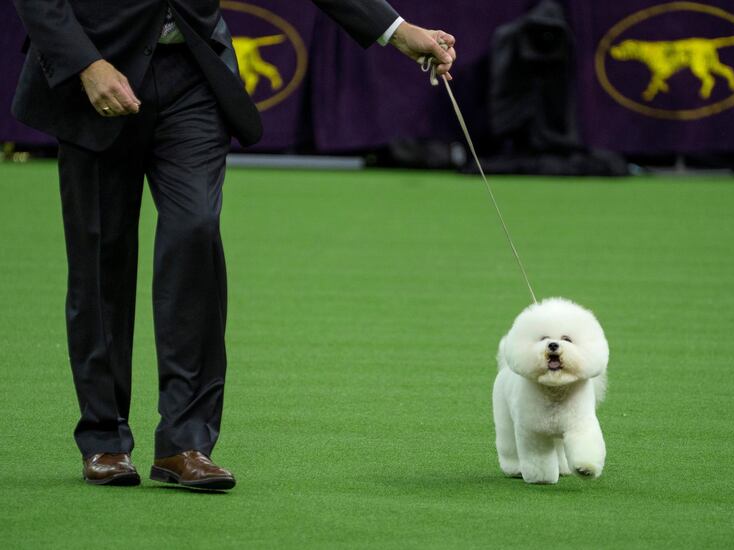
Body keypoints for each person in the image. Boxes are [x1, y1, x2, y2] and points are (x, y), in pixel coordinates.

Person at [11, 0, 456, 491]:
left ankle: (185, 443)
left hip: (194, 76)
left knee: (196, 232)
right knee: (101, 256)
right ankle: (104, 438)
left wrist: (396, 30)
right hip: (95, 74)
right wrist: (84, 64)